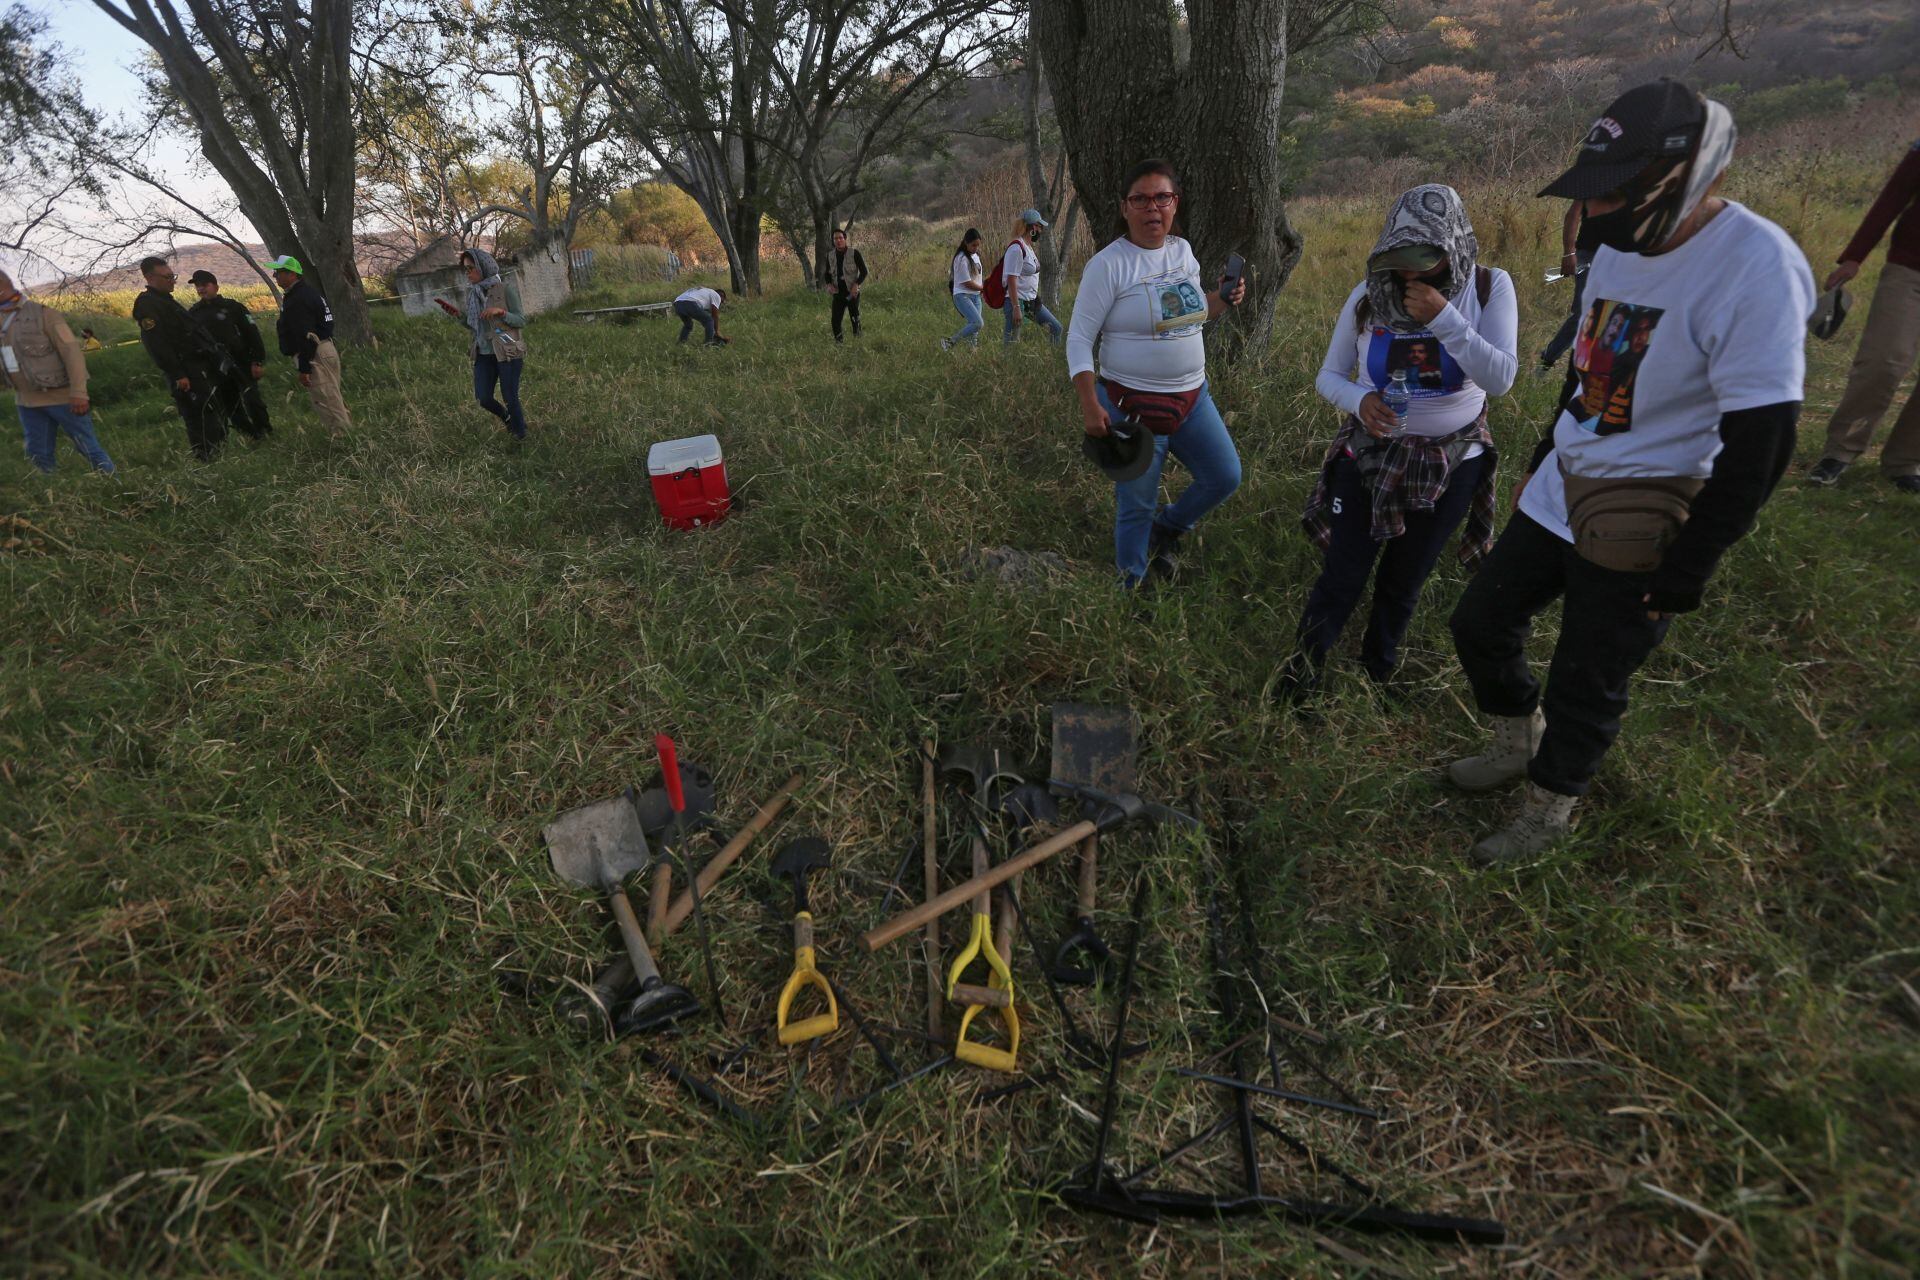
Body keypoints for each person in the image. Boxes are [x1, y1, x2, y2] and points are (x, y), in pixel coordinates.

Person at [1446, 79, 1812, 865]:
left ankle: (1549, 808)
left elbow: (1765, 438)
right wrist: (1543, 461)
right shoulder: (1616, 250)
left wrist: (1693, 562)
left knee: (1590, 667)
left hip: (1644, 502)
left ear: (1679, 178)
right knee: (1479, 623)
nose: (1594, 216)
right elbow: (1587, 374)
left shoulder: (1755, 266)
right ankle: (1518, 739)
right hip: (1566, 480)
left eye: (1610, 195)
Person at [1282, 183, 1516, 700]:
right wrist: (1358, 402)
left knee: (1404, 580)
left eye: (1426, 258)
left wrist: (1443, 317)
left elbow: (1500, 378)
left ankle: (1376, 673)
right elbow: (1329, 376)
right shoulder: (1369, 295)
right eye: (1400, 258)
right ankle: (1299, 680)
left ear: (1452, 246)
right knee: (1343, 576)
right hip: (1370, 455)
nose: (1410, 274)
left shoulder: (1487, 288)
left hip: (1453, 461)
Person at [1066, 159, 1245, 587]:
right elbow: (1077, 340)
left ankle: (1170, 528)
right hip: (1133, 405)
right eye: (1140, 199)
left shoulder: (1182, 252)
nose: (1152, 208)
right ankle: (1132, 583)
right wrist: (1091, 406)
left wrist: (1223, 298)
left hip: (1192, 397)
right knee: (1136, 504)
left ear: (1174, 203)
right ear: (1125, 208)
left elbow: (1193, 317)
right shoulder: (1108, 266)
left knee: (1224, 475)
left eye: (1161, 198)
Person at [1806, 138, 1920, 493]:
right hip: (1909, 270)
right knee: (1883, 361)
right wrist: (1855, 255)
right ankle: (1840, 451)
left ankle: (1904, 462)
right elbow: (1893, 196)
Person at [1, 269, 115, 474]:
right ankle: (54, 500)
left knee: (88, 448)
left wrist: (79, 392)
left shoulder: (44, 314)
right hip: (27, 401)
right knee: (39, 455)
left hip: (63, 398)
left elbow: (73, 354)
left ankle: (117, 487)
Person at [132, 255, 229, 461]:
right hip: (183, 371)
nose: (172, 280)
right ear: (150, 277)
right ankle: (207, 458)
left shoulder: (166, 302)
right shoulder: (148, 305)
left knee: (210, 411)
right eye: (167, 277)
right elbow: (157, 344)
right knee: (197, 416)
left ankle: (220, 453)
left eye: (172, 276)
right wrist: (177, 373)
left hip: (196, 366)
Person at [432, 248, 529, 439]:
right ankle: (507, 418)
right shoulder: (473, 294)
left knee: (510, 397)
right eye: (465, 269)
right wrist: (458, 315)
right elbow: (475, 326)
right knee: (483, 397)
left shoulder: (504, 290)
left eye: (470, 268)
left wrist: (500, 313)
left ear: (483, 267)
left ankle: (520, 434)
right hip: (483, 353)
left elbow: (521, 320)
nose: (467, 273)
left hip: (507, 351)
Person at [265, 254, 353, 437]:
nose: (275, 276)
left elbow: (306, 335)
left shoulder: (298, 299)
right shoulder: (307, 293)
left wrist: (304, 367)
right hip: (324, 348)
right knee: (332, 396)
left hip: (315, 353)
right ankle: (347, 434)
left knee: (327, 400)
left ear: (292, 274)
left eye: (279, 272)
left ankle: (344, 440)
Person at [188, 269, 271, 440]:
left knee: (253, 400)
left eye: (204, 285)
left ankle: (266, 432)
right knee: (230, 407)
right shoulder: (194, 314)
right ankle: (253, 436)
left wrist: (257, 361)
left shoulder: (234, 307)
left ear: (216, 286)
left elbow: (252, 334)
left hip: (242, 362)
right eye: (198, 286)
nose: (201, 289)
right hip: (216, 368)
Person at [1538, 200, 1592, 370]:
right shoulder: (1597, 178)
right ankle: (1548, 358)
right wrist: (1569, 252)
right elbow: (1573, 214)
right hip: (1589, 255)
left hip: (1620, 258)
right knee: (1583, 314)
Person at [1003, 208, 1063, 345]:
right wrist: (1016, 308)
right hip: (1017, 302)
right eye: (1039, 227)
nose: (1041, 231)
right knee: (1011, 345)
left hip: (1031, 301)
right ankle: (1004, 366)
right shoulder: (1016, 248)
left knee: (1056, 328)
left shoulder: (1028, 247)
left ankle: (1051, 362)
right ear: (1032, 228)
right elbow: (1011, 280)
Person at [820, 229, 867, 342]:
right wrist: (829, 285)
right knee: (835, 320)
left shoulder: (854, 253)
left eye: (840, 238)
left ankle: (858, 341)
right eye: (835, 238)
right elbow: (827, 273)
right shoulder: (830, 255)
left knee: (854, 318)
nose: (838, 240)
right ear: (833, 241)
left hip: (852, 292)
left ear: (845, 239)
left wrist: (856, 284)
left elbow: (864, 272)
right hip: (838, 293)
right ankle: (839, 344)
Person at [942, 228, 985, 350]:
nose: (976, 248)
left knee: (974, 329)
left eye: (978, 245)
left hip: (976, 296)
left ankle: (972, 353)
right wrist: (983, 288)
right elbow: (967, 283)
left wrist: (983, 287)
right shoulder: (961, 258)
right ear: (966, 243)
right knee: (978, 323)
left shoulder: (975, 256)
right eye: (973, 245)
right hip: (963, 296)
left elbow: (977, 277)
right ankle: (950, 342)